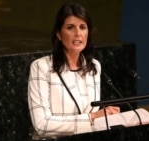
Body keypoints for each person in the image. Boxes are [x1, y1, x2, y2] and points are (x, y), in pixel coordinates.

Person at [27, 2, 120, 139]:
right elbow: (42, 125)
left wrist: (110, 117)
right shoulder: (41, 67)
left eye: (83, 27)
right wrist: (91, 118)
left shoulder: (94, 67)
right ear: (59, 34)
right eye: (70, 28)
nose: (78, 33)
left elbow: (92, 117)